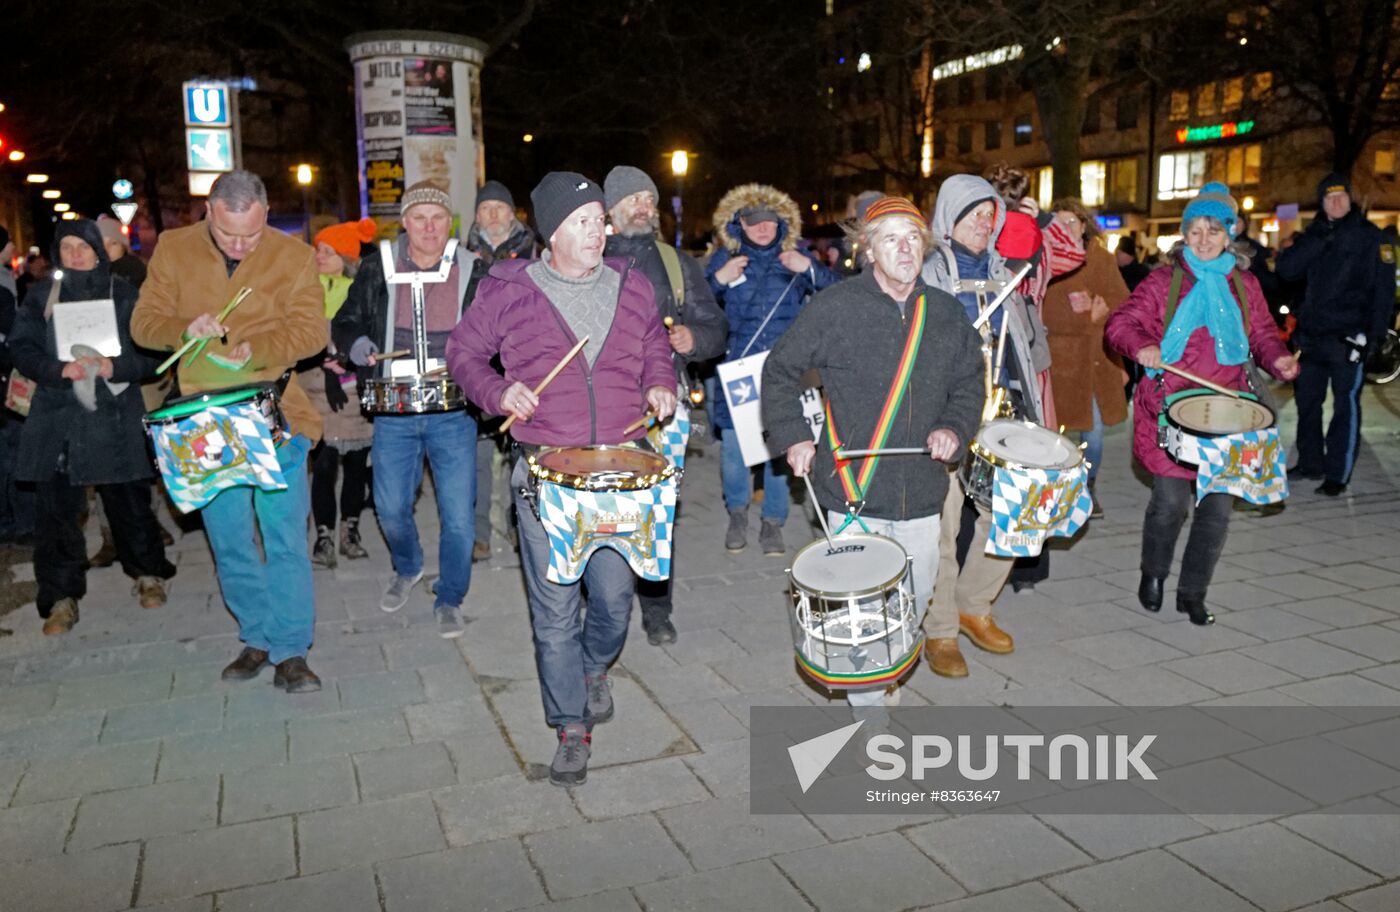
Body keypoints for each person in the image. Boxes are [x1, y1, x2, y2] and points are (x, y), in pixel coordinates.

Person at [447, 171, 676, 787]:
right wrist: (498, 391)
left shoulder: (631, 284)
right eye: (582, 221)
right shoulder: (508, 291)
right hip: (546, 470)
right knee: (553, 611)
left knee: (613, 598)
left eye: (600, 219)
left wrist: (661, 381)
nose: (598, 231)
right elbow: (463, 356)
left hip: (622, 466)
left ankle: (595, 665)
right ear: (551, 232)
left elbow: (655, 344)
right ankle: (570, 726)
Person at [764, 196, 984, 712]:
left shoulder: (947, 314)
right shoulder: (835, 308)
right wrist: (795, 436)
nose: (904, 248)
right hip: (853, 490)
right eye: (890, 238)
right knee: (863, 610)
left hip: (923, 489)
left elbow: (970, 383)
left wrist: (955, 427)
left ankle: (889, 672)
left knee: (919, 595)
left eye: (912, 237)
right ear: (867, 248)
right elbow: (779, 371)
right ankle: (869, 710)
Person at [131, 169, 327, 693]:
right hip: (203, 422)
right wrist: (182, 328)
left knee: (285, 537)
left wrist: (259, 348)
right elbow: (143, 323)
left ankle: (291, 649)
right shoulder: (173, 250)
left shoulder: (294, 256)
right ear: (209, 212)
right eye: (228, 233)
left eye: (252, 234)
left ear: (265, 214)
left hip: (275, 413)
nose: (240, 244)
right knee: (231, 540)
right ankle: (257, 636)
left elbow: (312, 331)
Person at [1106, 182, 1299, 626]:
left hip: (1230, 412)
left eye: (1214, 230)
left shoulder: (1245, 284)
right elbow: (1121, 323)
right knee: (1170, 504)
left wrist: (1280, 359)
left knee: (1216, 511)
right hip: (1169, 408)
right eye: (1196, 230)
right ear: (1184, 234)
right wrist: (1143, 347)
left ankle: (1193, 592)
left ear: (1229, 234)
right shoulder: (1163, 280)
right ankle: (1153, 573)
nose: (1204, 239)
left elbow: (1264, 335)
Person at [8, 219, 176, 634]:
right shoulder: (42, 296)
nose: (76, 255)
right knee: (57, 513)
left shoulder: (124, 293)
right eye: (67, 248)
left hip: (113, 415)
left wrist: (114, 365)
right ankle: (61, 596)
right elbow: (21, 347)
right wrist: (56, 368)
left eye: (83, 247)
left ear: (99, 250)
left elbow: (154, 352)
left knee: (129, 501)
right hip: (57, 417)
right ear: (57, 254)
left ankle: (147, 574)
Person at [334, 181, 481, 637]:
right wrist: (357, 345)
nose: (430, 227)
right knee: (391, 505)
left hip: (453, 411)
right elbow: (346, 319)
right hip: (393, 410)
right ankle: (409, 564)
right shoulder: (377, 266)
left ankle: (451, 595)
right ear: (405, 222)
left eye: (438, 217)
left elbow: (495, 327)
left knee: (458, 515)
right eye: (420, 217)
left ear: (449, 222)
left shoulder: (471, 268)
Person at [919, 174, 1048, 677]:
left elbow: (1028, 347)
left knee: (1010, 517)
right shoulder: (927, 273)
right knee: (943, 529)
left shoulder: (1006, 273)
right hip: (946, 415)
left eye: (989, 215)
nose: (982, 223)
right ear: (949, 217)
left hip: (1002, 413)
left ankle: (975, 604)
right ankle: (941, 629)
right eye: (973, 214)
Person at [603, 164, 727, 645]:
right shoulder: (588, 260)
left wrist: (693, 337)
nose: (643, 206)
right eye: (632, 199)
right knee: (605, 509)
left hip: (666, 408)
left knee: (657, 510)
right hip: (602, 409)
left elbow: (715, 327)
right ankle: (603, 602)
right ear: (610, 209)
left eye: (648, 199)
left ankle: (657, 607)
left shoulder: (676, 263)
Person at [706, 183, 839, 555]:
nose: (762, 229)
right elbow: (698, 305)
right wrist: (719, 280)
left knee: (781, 447)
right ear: (739, 224)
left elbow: (840, 298)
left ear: (782, 223)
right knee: (734, 449)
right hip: (737, 370)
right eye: (753, 222)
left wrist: (811, 269)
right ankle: (737, 512)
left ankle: (772, 523)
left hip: (785, 370)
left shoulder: (795, 257)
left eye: (770, 221)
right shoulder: (724, 259)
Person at [1275, 172, 1395, 496]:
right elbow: (1286, 270)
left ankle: (1337, 474)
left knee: (1345, 406)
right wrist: (1320, 239)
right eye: (1330, 198)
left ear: (1350, 200)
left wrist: (1377, 334)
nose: (1337, 202)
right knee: (1307, 404)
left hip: (1348, 338)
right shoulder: (1314, 234)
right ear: (1322, 203)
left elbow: (1384, 290)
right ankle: (1310, 463)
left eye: (1342, 197)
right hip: (1312, 337)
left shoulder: (1371, 237)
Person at [464, 180, 538, 563]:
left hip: (521, 365)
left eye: (499, 207)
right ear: (476, 216)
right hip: (478, 369)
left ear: (512, 213)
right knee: (476, 457)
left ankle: (516, 525)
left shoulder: (535, 252)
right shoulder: (463, 255)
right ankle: (478, 533)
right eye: (485, 208)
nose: (492, 214)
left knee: (519, 454)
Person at [1043, 198, 1131, 518]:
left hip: (1095, 357)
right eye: (1059, 223)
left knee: (1092, 432)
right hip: (1058, 360)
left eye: (1072, 222)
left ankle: (1087, 486)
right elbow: (1043, 308)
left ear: (1084, 226)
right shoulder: (1045, 258)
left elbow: (1122, 300)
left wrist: (1101, 307)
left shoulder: (1101, 258)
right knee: (1054, 432)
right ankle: (1056, 488)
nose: (1065, 228)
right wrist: (1078, 314)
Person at [306, 218, 377, 568]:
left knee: (354, 466)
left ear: (346, 257)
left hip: (354, 391)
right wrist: (321, 362)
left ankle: (350, 531)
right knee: (323, 465)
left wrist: (349, 363)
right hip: (316, 391)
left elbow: (370, 334)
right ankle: (323, 536)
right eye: (317, 249)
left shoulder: (362, 290)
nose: (319, 256)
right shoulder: (306, 289)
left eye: (328, 251)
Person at [97, 215, 147, 289]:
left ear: (124, 247)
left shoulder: (133, 269)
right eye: (101, 243)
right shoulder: (88, 269)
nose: (106, 249)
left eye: (114, 243)